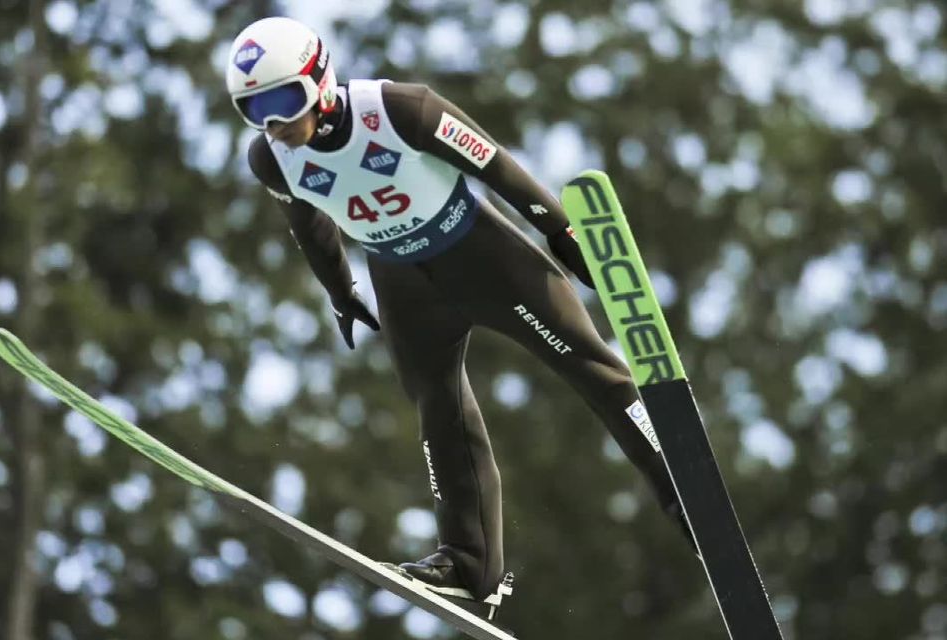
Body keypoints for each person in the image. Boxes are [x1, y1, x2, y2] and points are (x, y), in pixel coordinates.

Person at [225, 16, 695, 609]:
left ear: (319, 79)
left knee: (593, 369)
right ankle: (470, 565)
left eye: (282, 101)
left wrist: (560, 230)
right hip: (401, 283)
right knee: (438, 409)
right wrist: (340, 292)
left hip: (482, 256)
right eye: (255, 110)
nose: (274, 124)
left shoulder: (401, 110)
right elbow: (311, 227)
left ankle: (685, 491)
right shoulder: (271, 160)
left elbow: (495, 165)